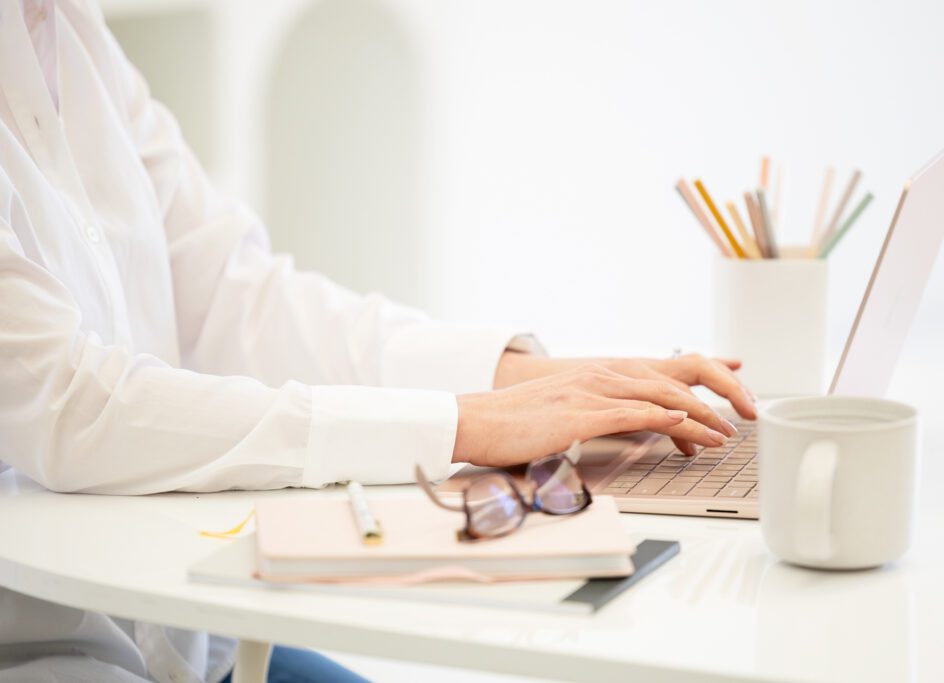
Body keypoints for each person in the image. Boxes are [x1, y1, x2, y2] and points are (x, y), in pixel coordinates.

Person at [0, 1, 757, 681]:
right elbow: (65, 404)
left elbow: (239, 293)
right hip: (49, 651)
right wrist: (464, 423)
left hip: (193, 641)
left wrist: (529, 378)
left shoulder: (69, 31)